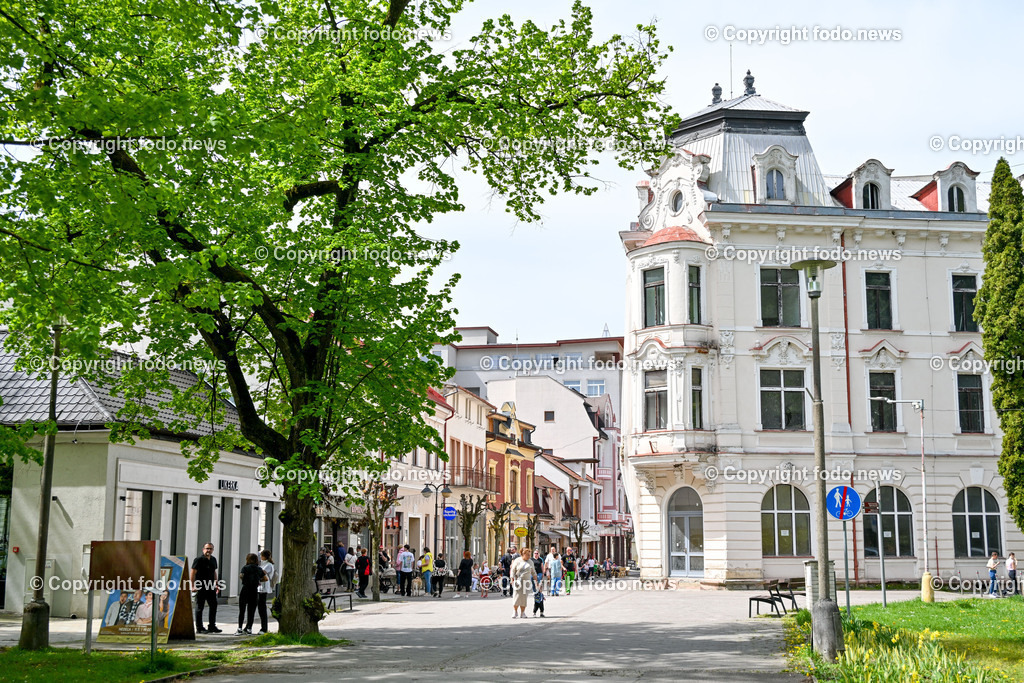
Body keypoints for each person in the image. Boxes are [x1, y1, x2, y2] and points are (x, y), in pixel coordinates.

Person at [191, 542, 222, 633]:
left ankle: (212, 626)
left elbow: (214, 572)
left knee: (213, 606)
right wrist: (192, 585)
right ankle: (199, 627)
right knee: (200, 607)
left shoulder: (213, 559)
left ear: (213, 550)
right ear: (203, 549)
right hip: (200, 585)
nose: (208, 550)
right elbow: (193, 572)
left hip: (210, 586)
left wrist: (216, 584)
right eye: (207, 548)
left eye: (210, 549)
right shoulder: (198, 559)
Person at [235, 552, 266, 635]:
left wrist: (246, 580)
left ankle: (240, 628)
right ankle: (249, 628)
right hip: (254, 591)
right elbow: (265, 578)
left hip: (245, 589)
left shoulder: (245, 568)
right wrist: (258, 580)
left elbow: (241, 576)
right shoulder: (259, 569)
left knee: (242, 610)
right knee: (251, 611)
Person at [510, 548, 537, 619]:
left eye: (529, 555)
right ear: (523, 554)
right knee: (516, 597)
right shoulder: (517, 560)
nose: (529, 556)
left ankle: (523, 612)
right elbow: (513, 570)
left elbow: (533, 572)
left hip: (526, 582)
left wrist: (536, 582)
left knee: (524, 598)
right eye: (527, 555)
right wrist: (512, 579)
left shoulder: (530, 562)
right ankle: (515, 611)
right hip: (517, 582)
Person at [257, 549, 276, 634]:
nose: (260, 557)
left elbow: (261, 573)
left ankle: (264, 628)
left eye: (261, 556)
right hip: (260, 587)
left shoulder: (268, 565)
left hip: (263, 587)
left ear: (264, 557)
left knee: (262, 606)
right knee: (260, 606)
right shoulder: (263, 564)